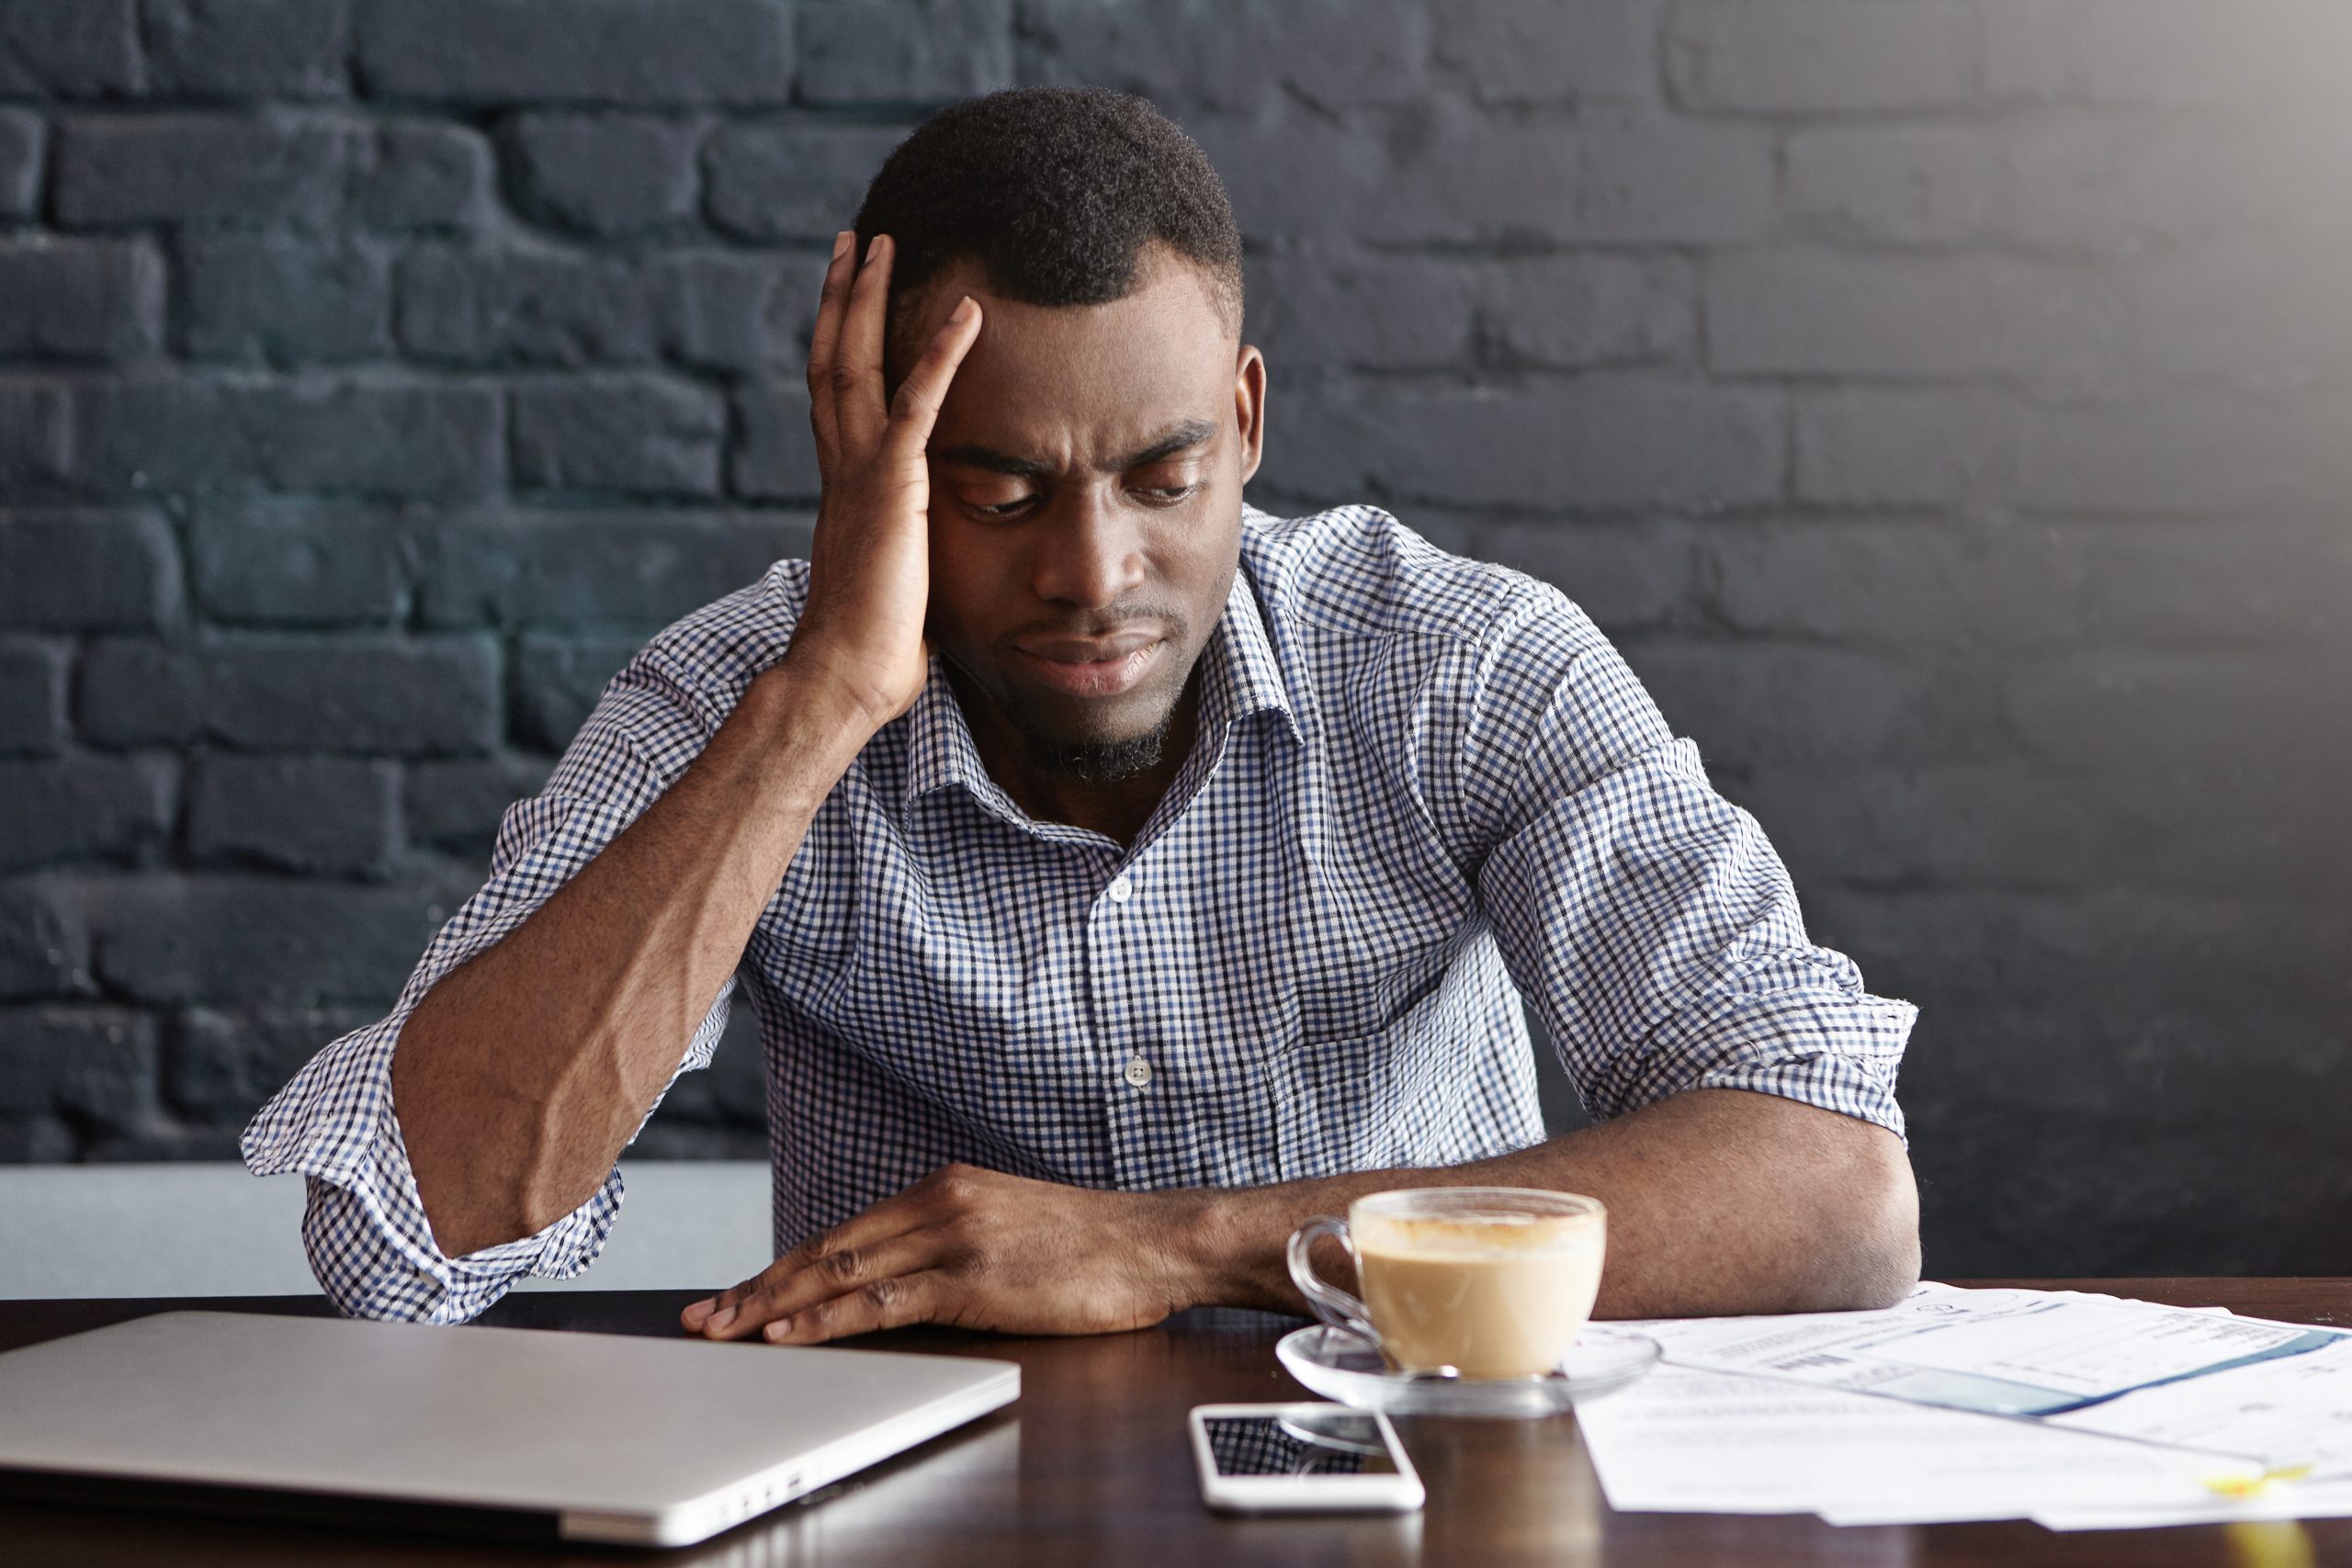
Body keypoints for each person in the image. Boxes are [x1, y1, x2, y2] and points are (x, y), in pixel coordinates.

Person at [243, 86, 1920, 1343]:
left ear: (1246, 424)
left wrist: (1178, 1243)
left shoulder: (1459, 669)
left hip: (1424, 1493)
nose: (1091, 572)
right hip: (922, 1500)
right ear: (881, 462)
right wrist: (822, 699)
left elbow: (1837, 1198)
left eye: (1163, 477)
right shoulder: (740, 699)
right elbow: (407, 1241)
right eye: (996, 493)